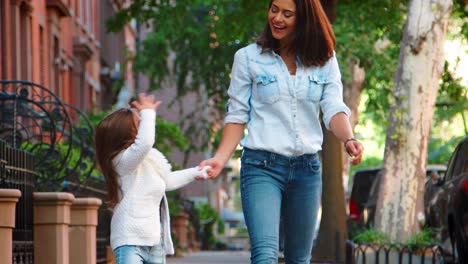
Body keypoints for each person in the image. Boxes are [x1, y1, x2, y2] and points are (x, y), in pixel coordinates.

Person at [199, 0, 364, 263]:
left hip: (306, 171)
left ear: (305, 19)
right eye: (274, 9)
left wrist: (349, 138)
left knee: (299, 259)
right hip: (261, 167)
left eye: (288, 14)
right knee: (264, 256)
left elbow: (333, 107)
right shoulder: (248, 58)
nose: (277, 18)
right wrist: (220, 158)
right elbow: (237, 115)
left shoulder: (325, 59)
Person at [95, 93, 210, 264]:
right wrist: (149, 112)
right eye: (139, 123)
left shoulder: (150, 159)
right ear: (126, 132)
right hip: (130, 241)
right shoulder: (120, 161)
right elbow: (145, 142)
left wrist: (196, 172)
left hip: (155, 243)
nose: (144, 125)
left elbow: (167, 181)